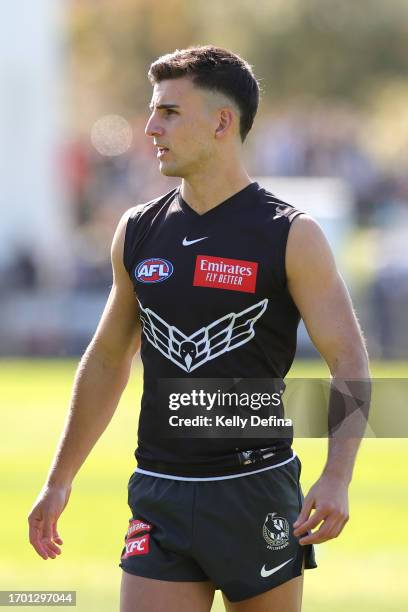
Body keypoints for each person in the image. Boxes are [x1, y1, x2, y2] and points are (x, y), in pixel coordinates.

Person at [28, 46, 370, 612]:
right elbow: (109, 358)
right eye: (152, 111)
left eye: (168, 112)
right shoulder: (138, 230)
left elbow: (351, 362)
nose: (150, 127)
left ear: (221, 122)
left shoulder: (290, 234)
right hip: (159, 489)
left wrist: (337, 477)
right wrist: (60, 477)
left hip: (255, 489)